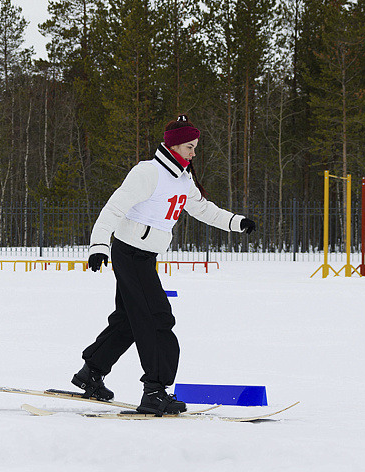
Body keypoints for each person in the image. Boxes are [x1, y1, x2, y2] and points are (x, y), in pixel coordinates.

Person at [72, 115, 256, 416]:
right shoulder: (148, 173)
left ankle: (91, 372)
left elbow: (203, 209)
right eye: (188, 147)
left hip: (145, 256)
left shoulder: (183, 179)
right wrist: (99, 245)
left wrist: (236, 222)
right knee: (158, 319)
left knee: (129, 320)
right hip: (130, 253)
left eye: (195, 147)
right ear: (172, 146)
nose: (193, 153)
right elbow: (114, 207)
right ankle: (155, 391)